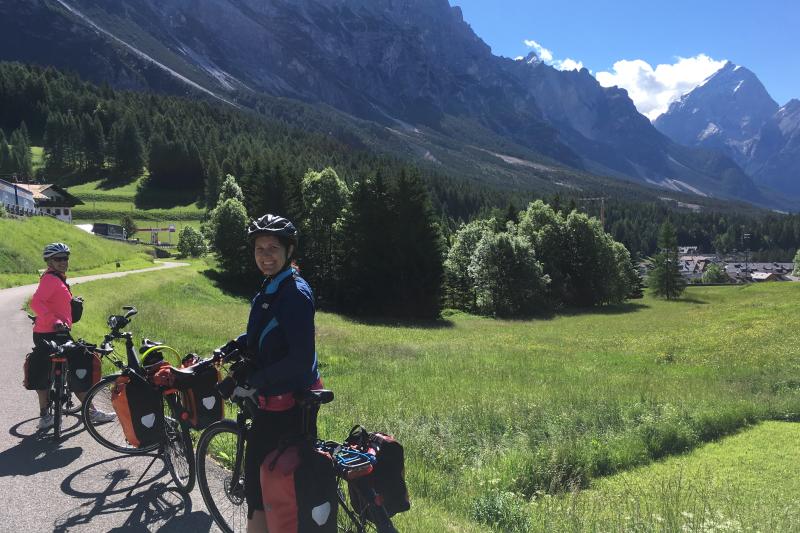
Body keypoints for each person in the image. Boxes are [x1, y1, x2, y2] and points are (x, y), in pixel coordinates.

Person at [231, 215, 322, 533]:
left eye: (273, 248)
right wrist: (232, 347)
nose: (265, 255)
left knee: (260, 488)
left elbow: (300, 358)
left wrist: (253, 381)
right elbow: (266, 333)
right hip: (278, 400)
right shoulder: (274, 287)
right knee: (275, 486)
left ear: (289, 250)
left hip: (286, 407)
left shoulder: (294, 293)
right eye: (259, 248)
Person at [29, 242, 115, 429]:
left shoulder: (58, 279)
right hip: (48, 332)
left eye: (65, 258)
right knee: (63, 370)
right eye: (58, 259)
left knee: (64, 368)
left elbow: (53, 302)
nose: (63, 262)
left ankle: (80, 412)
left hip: (60, 331)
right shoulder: (51, 279)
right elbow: (36, 303)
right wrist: (53, 320)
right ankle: (86, 412)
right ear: (49, 261)